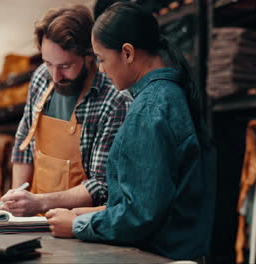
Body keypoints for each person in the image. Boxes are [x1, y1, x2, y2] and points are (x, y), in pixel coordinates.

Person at [45, 2, 216, 261]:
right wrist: (91, 214)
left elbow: (141, 214)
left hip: (157, 256)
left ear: (127, 53)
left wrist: (77, 226)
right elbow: (157, 200)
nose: (101, 69)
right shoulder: (169, 96)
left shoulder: (149, 108)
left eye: (102, 59)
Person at [0, 4, 131, 217]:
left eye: (65, 66)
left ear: (90, 55)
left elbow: (101, 184)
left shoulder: (113, 100)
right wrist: (16, 202)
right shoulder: (42, 77)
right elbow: (23, 145)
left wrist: (40, 203)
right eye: (48, 63)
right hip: (33, 217)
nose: (55, 75)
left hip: (78, 224)